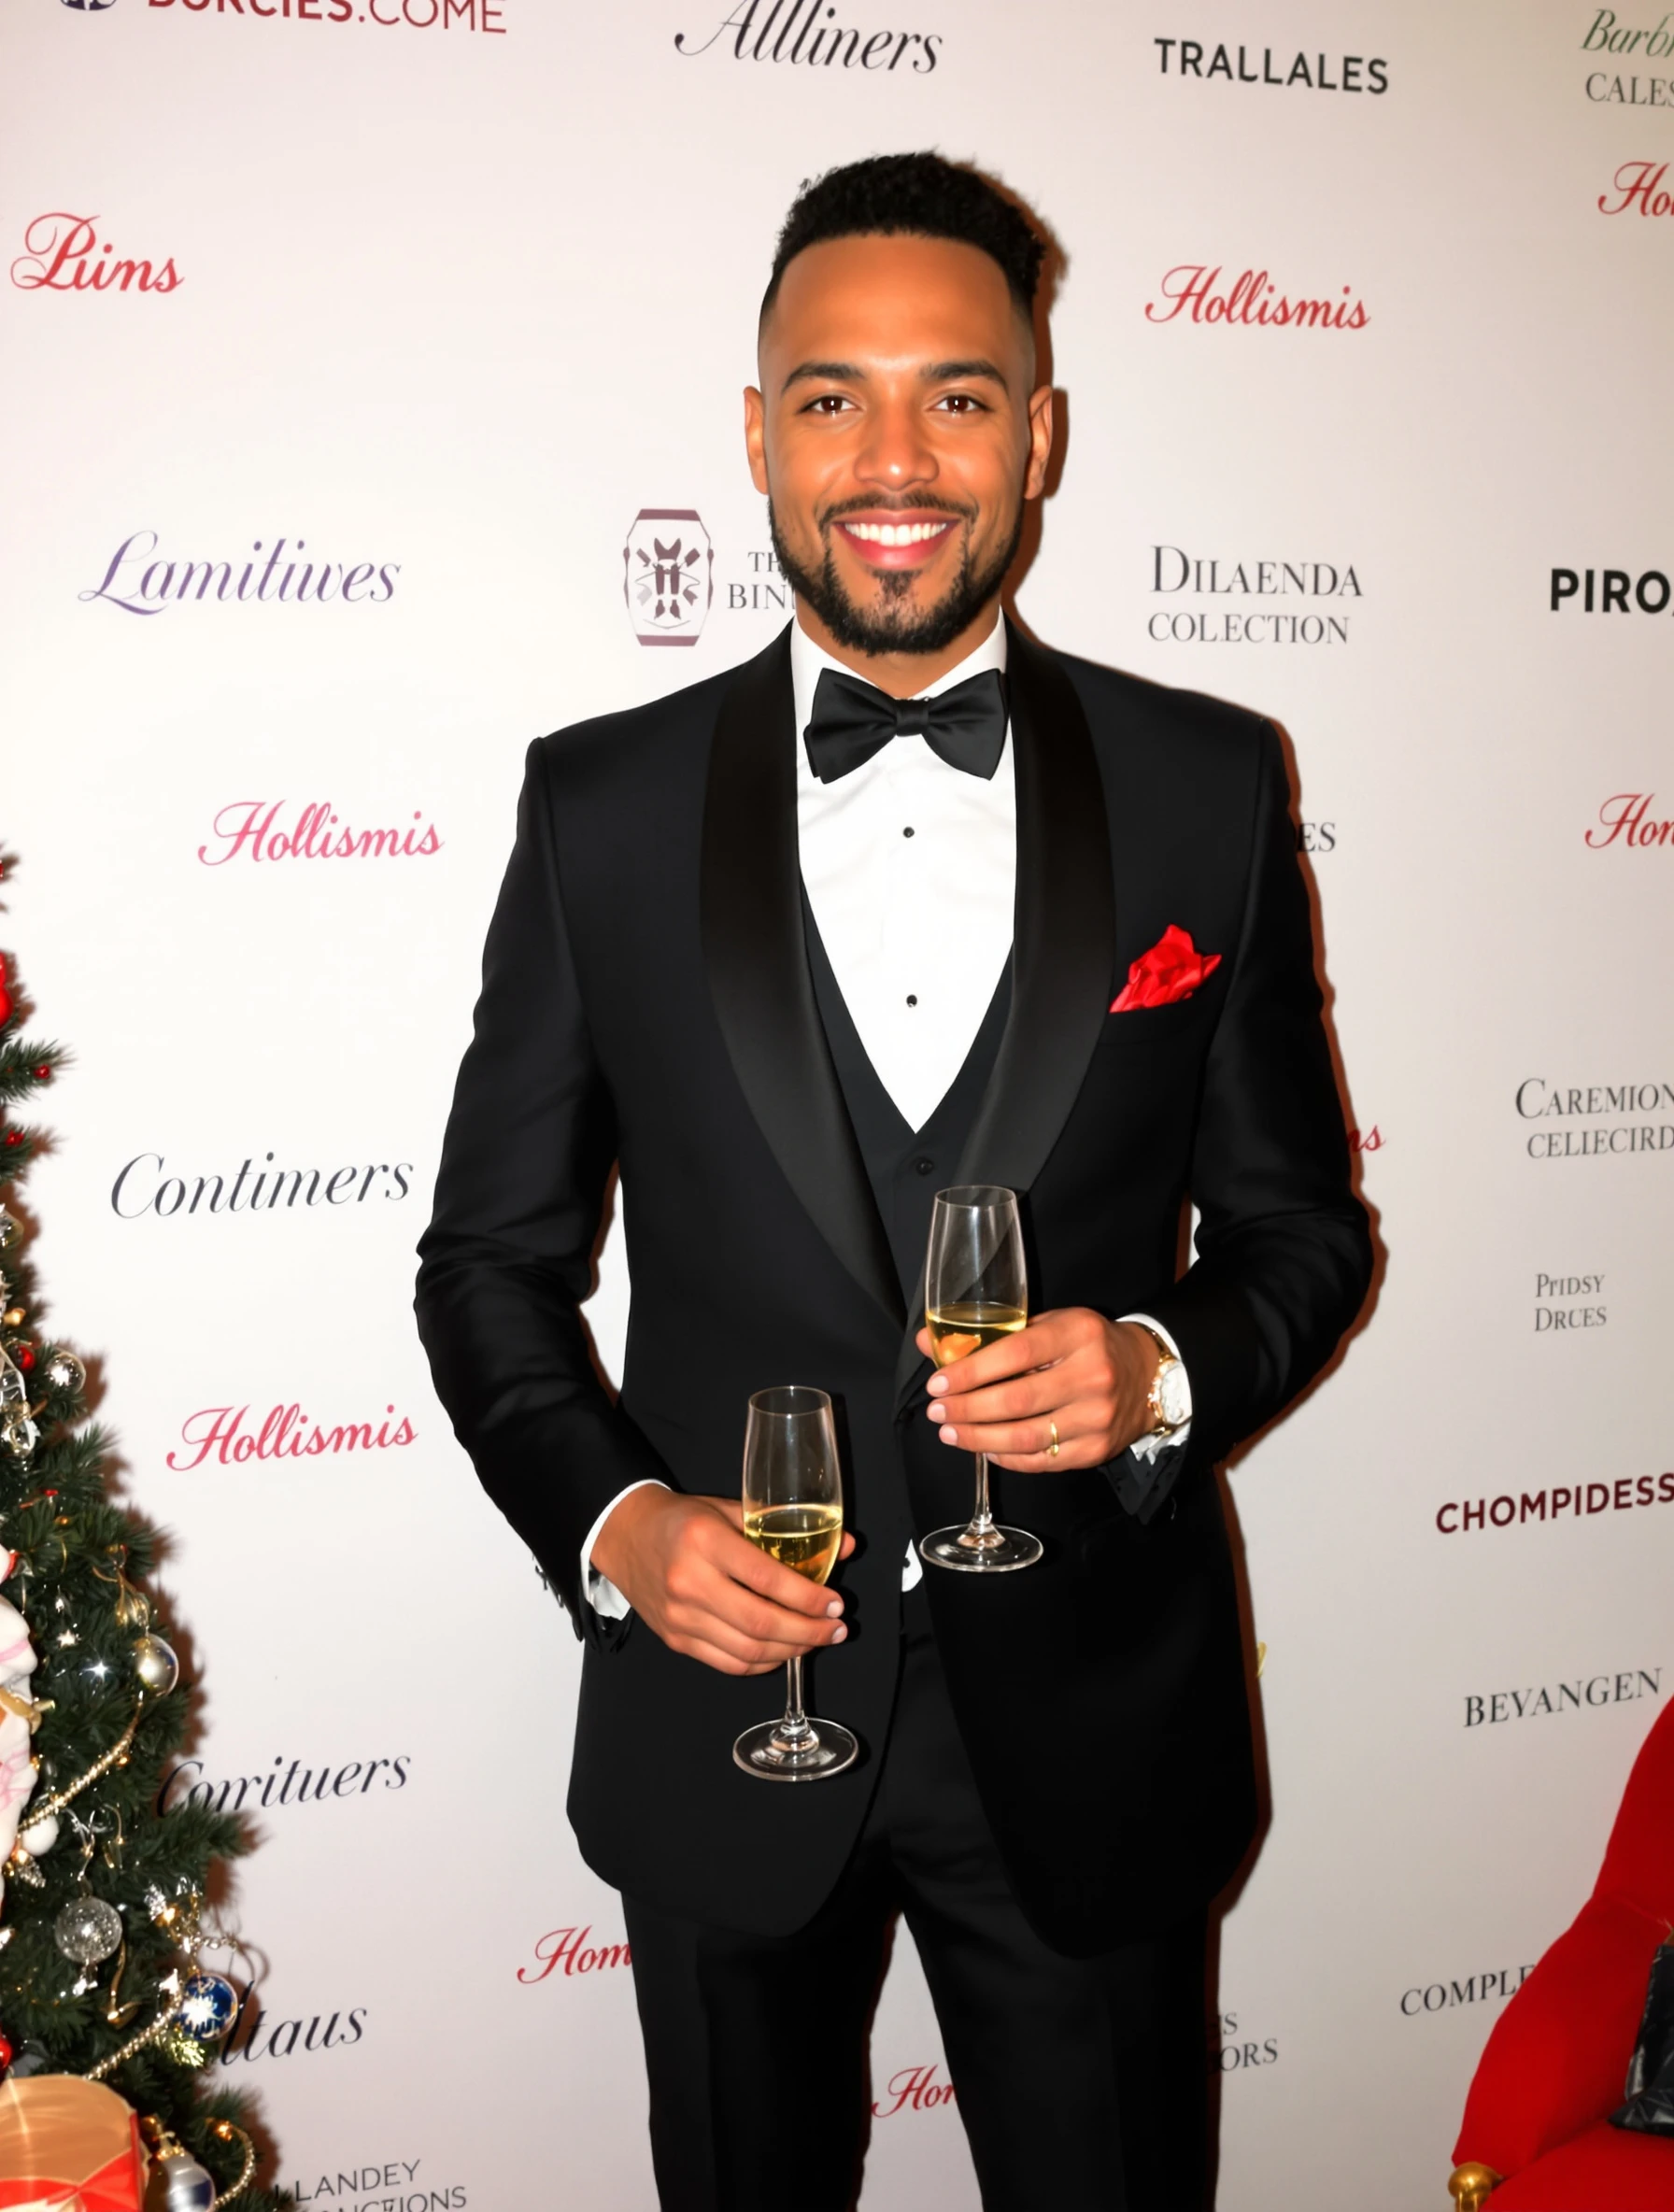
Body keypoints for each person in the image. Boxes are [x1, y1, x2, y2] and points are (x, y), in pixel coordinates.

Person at [416, 151, 1371, 2212]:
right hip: (718, 1710)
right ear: (757, 434)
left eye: (956, 392)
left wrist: (1154, 1364)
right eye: (830, 394)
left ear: (1036, 433)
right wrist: (617, 1520)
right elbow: (488, 1266)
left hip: (1095, 1732)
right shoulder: (600, 804)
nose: (894, 454)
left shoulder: (1212, 783)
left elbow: (1302, 1231)